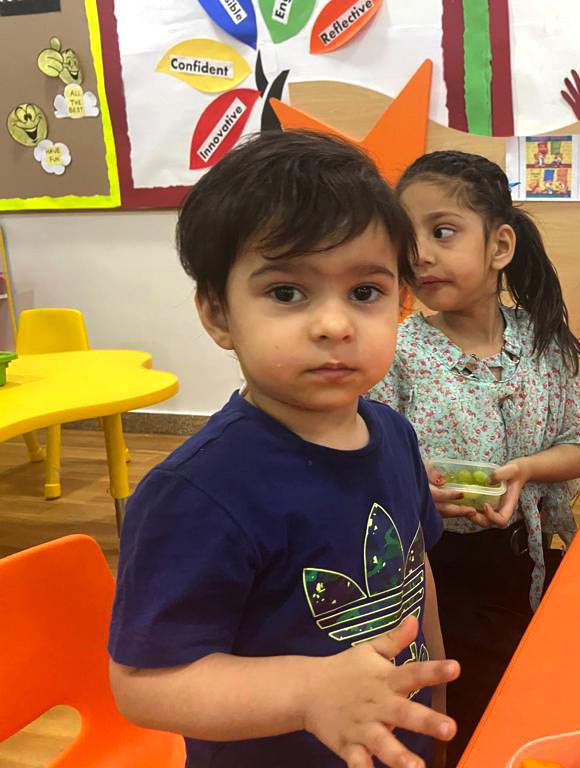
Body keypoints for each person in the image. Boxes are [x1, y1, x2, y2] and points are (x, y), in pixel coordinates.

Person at [107, 131, 459, 768]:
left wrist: (432, 687)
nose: (334, 325)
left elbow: (416, 572)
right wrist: (309, 693)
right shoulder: (197, 493)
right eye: (286, 293)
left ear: (401, 302)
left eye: (365, 292)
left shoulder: (394, 433)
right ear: (218, 314)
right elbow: (143, 685)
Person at [369, 150, 580, 764]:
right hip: (433, 566)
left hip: (525, 555)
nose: (419, 254)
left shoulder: (542, 341)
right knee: (458, 702)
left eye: (442, 232)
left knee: (523, 687)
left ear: (499, 246)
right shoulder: (397, 352)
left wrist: (524, 471)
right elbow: (370, 464)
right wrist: (420, 488)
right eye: (406, 237)